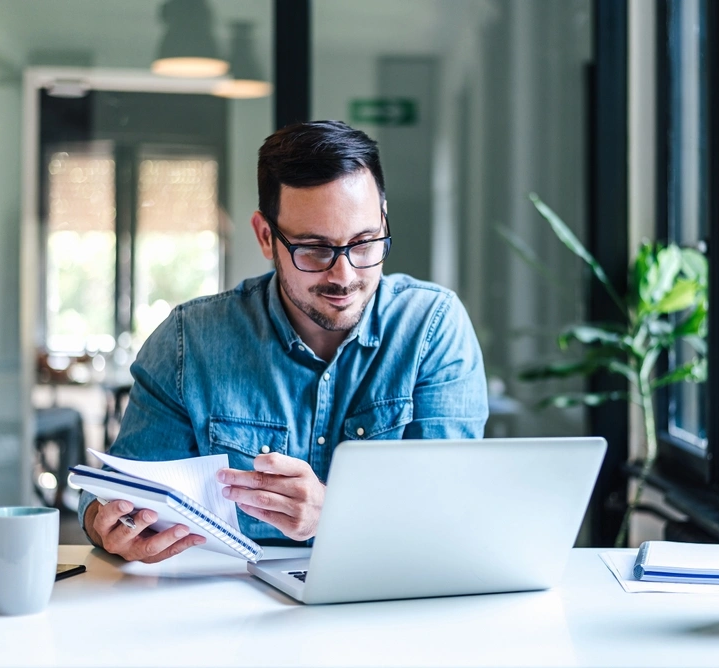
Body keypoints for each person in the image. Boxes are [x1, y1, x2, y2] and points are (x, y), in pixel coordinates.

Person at [79, 120, 489, 563]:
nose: (345, 275)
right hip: (227, 606)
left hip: (390, 598)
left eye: (365, 242)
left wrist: (335, 512)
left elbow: (452, 512)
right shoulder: (189, 342)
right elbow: (115, 501)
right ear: (265, 237)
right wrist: (108, 528)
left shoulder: (433, 327)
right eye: (314, 249)